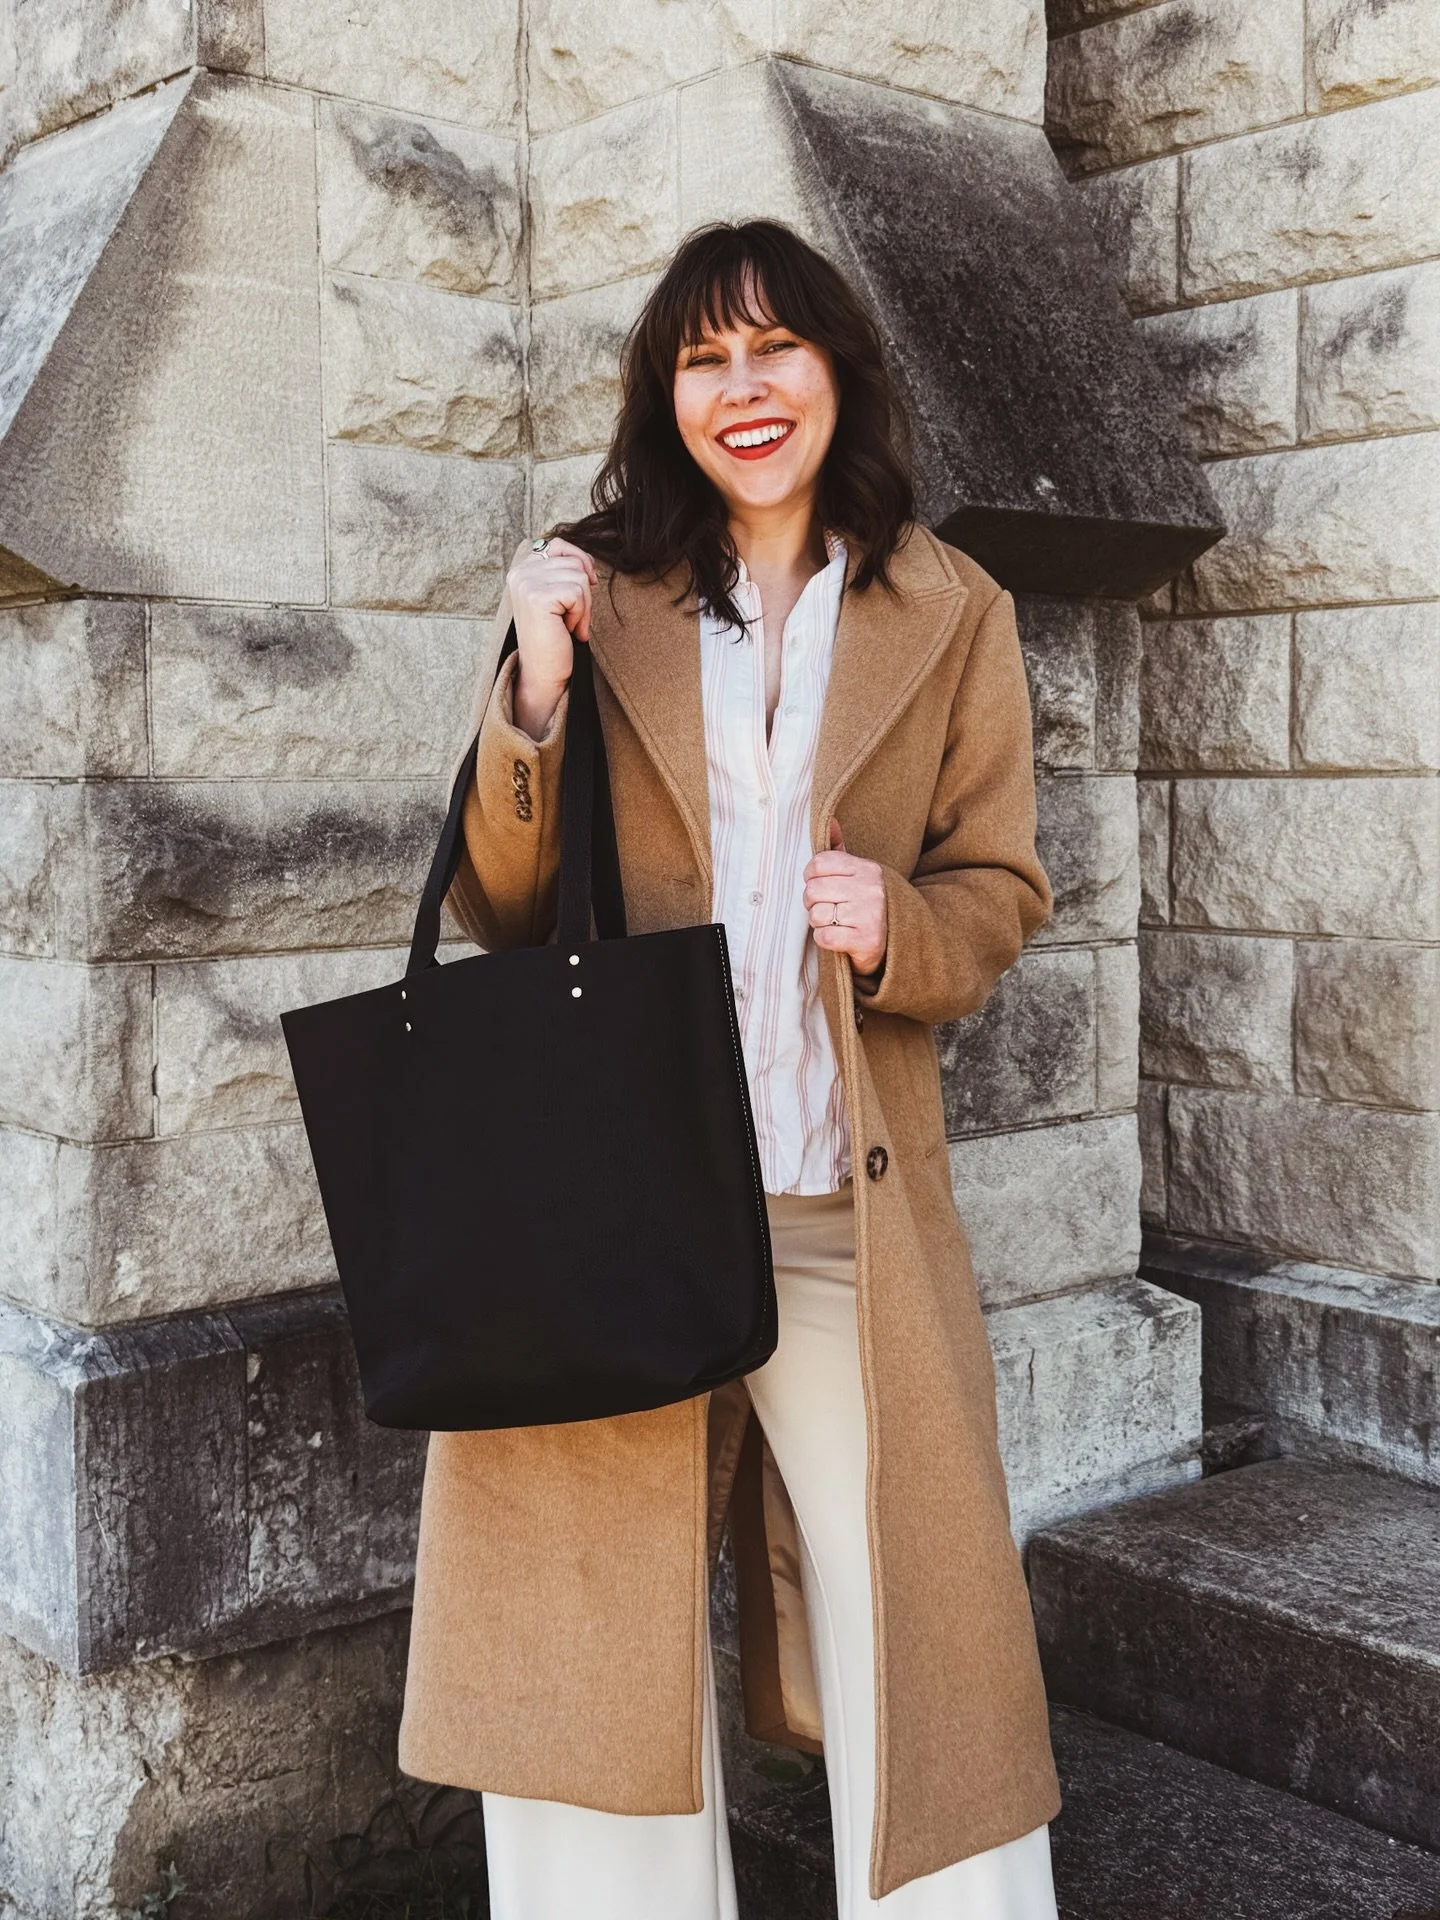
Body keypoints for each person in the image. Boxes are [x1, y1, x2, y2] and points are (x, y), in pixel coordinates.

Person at [397, 218, 1063, 1918]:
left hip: (844, 1210)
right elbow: (503, 902)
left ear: (839, 369)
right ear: (664, 395)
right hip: (622, 1204)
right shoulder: (596, 595)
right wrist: (530, 697)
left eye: (776, 349)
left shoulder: (949, 606)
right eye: (704, 358)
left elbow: (1002, 887)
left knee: (928, 1632)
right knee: (584, 1641)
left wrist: (899, 924)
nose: (743, 389)